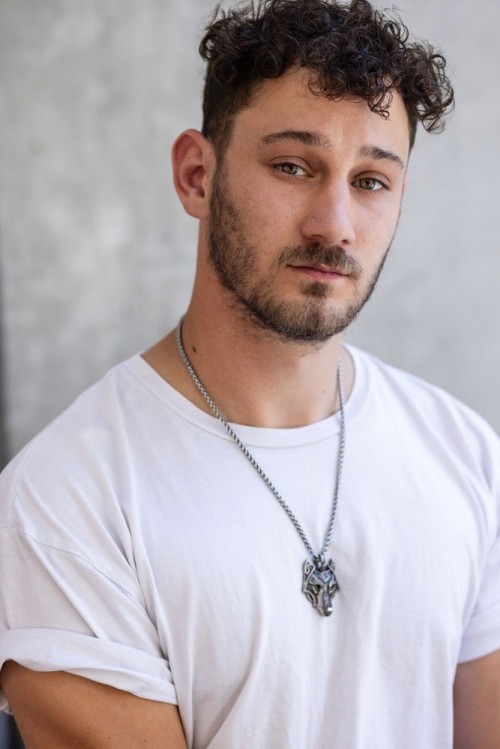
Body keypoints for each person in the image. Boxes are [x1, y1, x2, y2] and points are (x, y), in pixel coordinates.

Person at [0, 0, 499, 746]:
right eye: (292, 167)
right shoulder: (64, 504)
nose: (335, 224)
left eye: (371, 180)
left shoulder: (466, 455)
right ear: (197, 176)